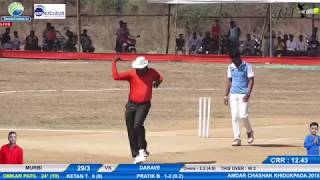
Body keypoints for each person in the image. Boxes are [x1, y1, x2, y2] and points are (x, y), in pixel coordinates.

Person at [112, 56, 163, 164]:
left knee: (138, 125)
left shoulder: (151, 72)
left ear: (146, 66)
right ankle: (136, 155)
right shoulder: (132, 73)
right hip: (131, 105)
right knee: (131, 129)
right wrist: (114, 63)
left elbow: (160, 77)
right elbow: (116, 77)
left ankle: (142, 149)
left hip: (144, 104)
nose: (139, 70)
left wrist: (157, 83)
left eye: (141, 68)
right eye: (138, 68)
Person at [224, 50, 254, 146]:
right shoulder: (230, 67)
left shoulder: (247, 66)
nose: (233, 61)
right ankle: (237, 138)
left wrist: (248, 94)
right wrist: (226, 95)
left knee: (243, 115)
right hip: (233, 94)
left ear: (239, 57)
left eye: (234, 59)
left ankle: (249, 131)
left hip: (243, 94)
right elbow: (229, 81)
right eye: (232, 59)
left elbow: (251, 81)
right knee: (235, 117)